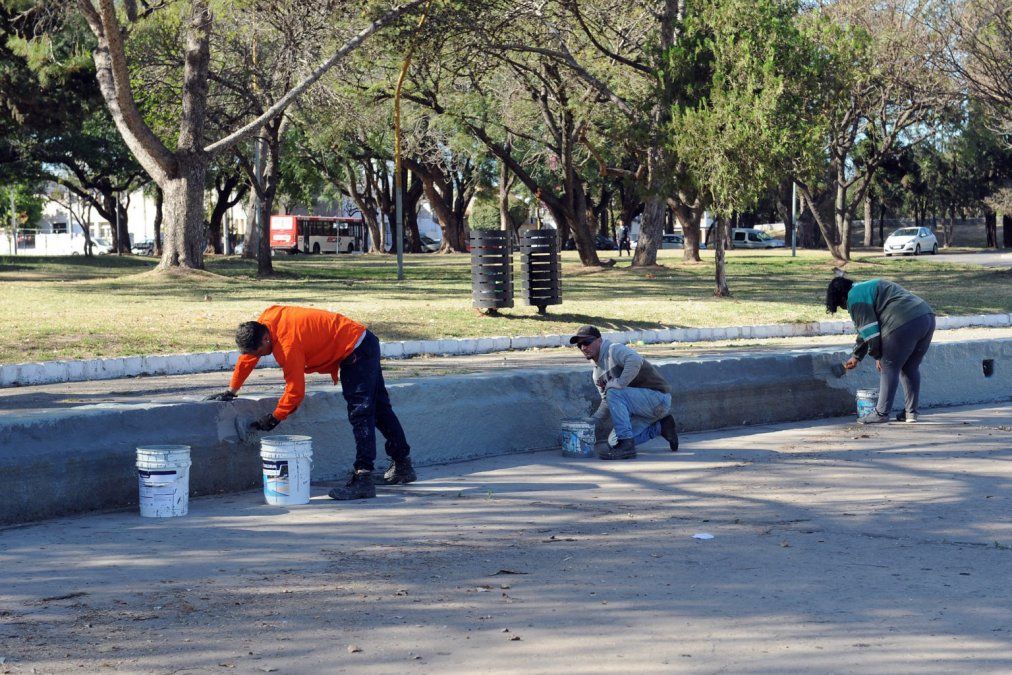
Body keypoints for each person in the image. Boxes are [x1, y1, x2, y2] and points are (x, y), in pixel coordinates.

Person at [206, 305, 415, 500]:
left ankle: (364, 478)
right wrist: (231, 390)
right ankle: (403, 466)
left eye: (259, 352)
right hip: (362, 341)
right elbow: (247, 358)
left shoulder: (288, 346)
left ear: (266, 340)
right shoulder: (266, 322)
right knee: (379, 409)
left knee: (361, 412)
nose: (259, 357)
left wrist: (275, 417)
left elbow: (296, 392)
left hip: (355, 351)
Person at [825, 276, 935, 424]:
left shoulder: (855, 299)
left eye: (841, 305)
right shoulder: (865, 288)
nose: (845, 308)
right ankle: (911, 413)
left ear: (840, 298)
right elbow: (865, 330)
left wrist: (878, 356)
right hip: (926, 317)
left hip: (902, 321)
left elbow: (871, 333)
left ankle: (881, 413)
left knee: (888, 366)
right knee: (910, 367)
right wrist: (856, 356)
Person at [570, 325, 678, 459]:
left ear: (599, 340)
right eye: (579, 345)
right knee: (614, 442)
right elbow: (607, 402)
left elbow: (635, 360)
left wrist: (620, 383)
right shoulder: (596, 374)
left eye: (586, 342)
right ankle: (661, 427)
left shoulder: (613, 349)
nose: (583, 348)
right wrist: (591, 422)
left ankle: (627, 447)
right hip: (641, 409)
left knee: (613, 391)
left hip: (657, 398)